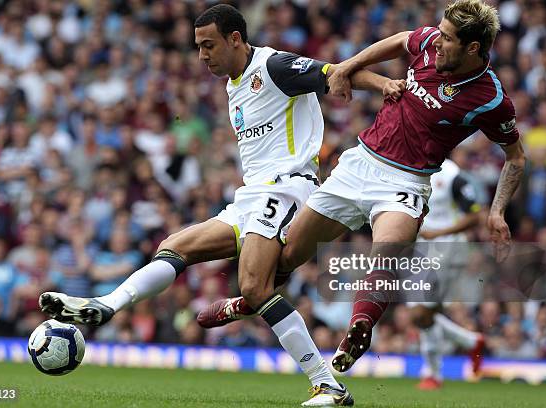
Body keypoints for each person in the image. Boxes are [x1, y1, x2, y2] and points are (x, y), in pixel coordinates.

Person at [39, 4, 404, 406]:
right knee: (177, 245)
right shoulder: (233, 83)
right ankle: (107, 305)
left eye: (209, 45)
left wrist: (384, 84)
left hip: (286, 189)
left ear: (235, 39)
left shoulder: (274, 67)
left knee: (254, 285)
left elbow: (334, 71)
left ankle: (328, 384)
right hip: (252, 195)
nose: (202, 56)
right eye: (198, 47)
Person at [198, 0, 526, 374]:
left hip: (408, 180)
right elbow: (402, 39)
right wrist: (349, 66)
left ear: (472, 48)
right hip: (359, 164)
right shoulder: (430, 42)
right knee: (287, 259)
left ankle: (360, 326)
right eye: (439, 33)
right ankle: (245, 303)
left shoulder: (491, 99)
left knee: (387, 252)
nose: (436, 42)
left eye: (448, 39)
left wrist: (498, 210)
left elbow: (515, 156)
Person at [408, 159, 487, 389]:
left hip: (448, 250)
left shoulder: (453, 176)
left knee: (423, 313)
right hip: (420, 250)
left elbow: (475, 216)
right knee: (419, 314)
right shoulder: (410, 167)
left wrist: (438, 232)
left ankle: (433, 374)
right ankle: (472, 341)